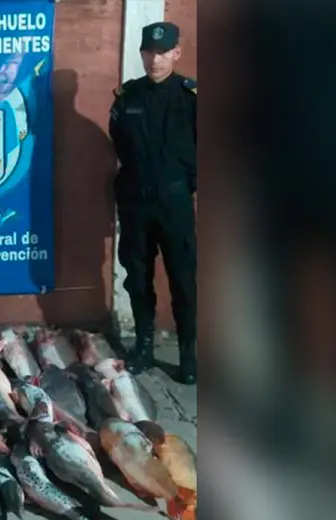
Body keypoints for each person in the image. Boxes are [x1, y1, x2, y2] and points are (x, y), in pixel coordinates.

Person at [108, 22, 197, 385]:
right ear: (142, 53)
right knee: (137, 277)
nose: (155, 59)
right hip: (135, 202)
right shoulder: (127, 96)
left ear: (176, 52)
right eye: (149, 52)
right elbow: (119, 143)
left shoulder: (191, 97)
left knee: (184, 279)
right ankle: (143, 346)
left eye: (163, 52)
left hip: (174, 202)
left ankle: (188, 352)